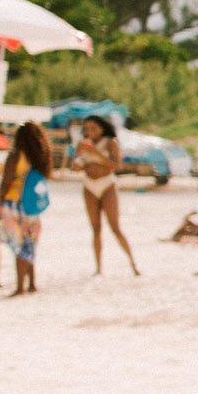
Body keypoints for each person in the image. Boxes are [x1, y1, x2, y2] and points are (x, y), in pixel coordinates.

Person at [76, 115, 140, 278]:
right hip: (89, 185)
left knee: (115, 227)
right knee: (96, 228)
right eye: (87, 129)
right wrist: (81, 158)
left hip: (107, 184)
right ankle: (98, 267)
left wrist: (95, 154)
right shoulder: (82, 144)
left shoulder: (111, 142)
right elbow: (75, 166)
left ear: (102, 128)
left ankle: (133, 263)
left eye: (93, 128)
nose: (90, 132)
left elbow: (117, 165)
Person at [0, 122, 53, 296]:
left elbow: (7, 182)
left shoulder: (15, 156)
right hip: (32, 207)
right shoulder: (41, 157)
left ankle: (20, 287)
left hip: (15, 204)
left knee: (20, 246)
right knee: (29, 244)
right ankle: (32, 284)